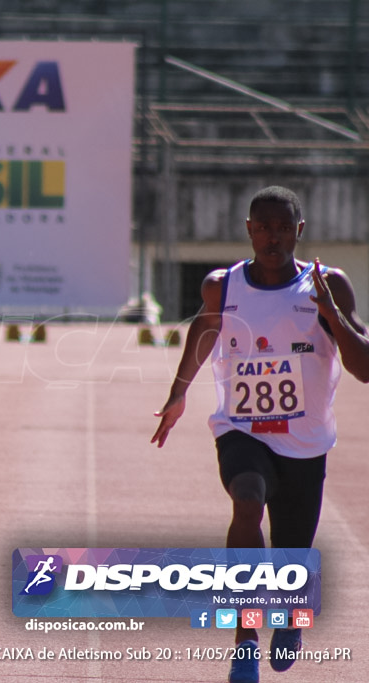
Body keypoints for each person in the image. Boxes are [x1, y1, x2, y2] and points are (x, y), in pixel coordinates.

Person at [151, 186, 369, 683]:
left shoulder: (326, 285)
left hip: (306, 441)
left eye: (282, 227)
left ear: (299, 231)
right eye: (263, 227)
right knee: (246, 501)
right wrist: (178, 393)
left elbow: (364, 369)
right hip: (241, 429)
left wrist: (331, 314)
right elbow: (203, 333)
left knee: (292, 551)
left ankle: (292, 617)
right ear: (249, 229)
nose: (273, 237)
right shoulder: (221, 287)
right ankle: (244, 640)